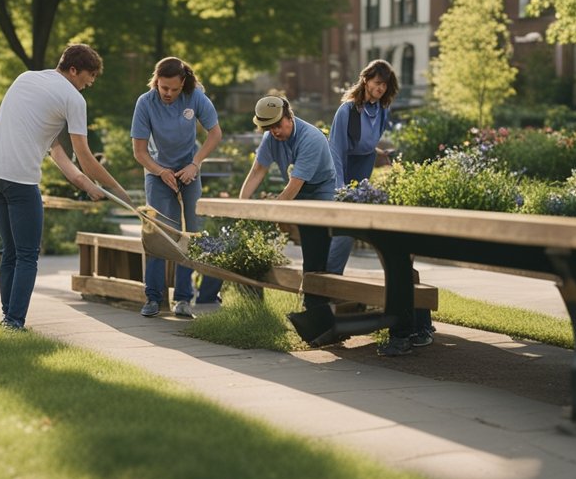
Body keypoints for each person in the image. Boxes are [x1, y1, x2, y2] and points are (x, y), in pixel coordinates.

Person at [0, 43, 132, 331]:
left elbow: (57, 151)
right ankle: (14, 321)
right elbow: (85, 156)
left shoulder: (26, 79)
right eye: (89, 75)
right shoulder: (72, 98)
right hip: (19, 180)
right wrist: (120, 192)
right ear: (73, 70)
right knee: (27, 254)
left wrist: (84, 183)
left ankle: (7, 317)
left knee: (11, 251)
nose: (91, 82)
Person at [237, 96, 338, 345]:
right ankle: (318, 314)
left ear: (289, 116)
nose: (275, 132)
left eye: (278, 125)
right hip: (298, 190)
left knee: (316, 250)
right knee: (311, 253)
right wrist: (241, 205)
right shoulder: (271, 138)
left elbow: (294, 187)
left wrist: (270, 212)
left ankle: (318, 315)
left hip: (320, 191)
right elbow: (257, 170)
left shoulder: (311, 138)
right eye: (269, 128)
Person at [131, 56, 224, 318]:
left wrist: (195, 164)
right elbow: (139, 152)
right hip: (156, 171)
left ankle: (183, 299)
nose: (168, 94)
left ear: (183, 83)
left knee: (191, 233)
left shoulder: (195, 98)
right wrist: (160, 171)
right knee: (160, 233)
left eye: (173, 88)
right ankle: (153, 298)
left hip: (188, 172)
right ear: (156, 83)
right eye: (163, 88)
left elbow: (215, 133)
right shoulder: (145, 103)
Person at [326, 59, 399, 274]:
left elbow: (367, 141)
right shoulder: (347, 110)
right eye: (377, 82)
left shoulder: (382, 110)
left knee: (357, 222)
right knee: (344, 226)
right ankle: (330, 275)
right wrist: (339, 188)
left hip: (364, 164)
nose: (380, 88)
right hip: (343, 165)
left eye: (385, 85)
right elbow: (336, 149)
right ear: (365, 80)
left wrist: (379, 153)